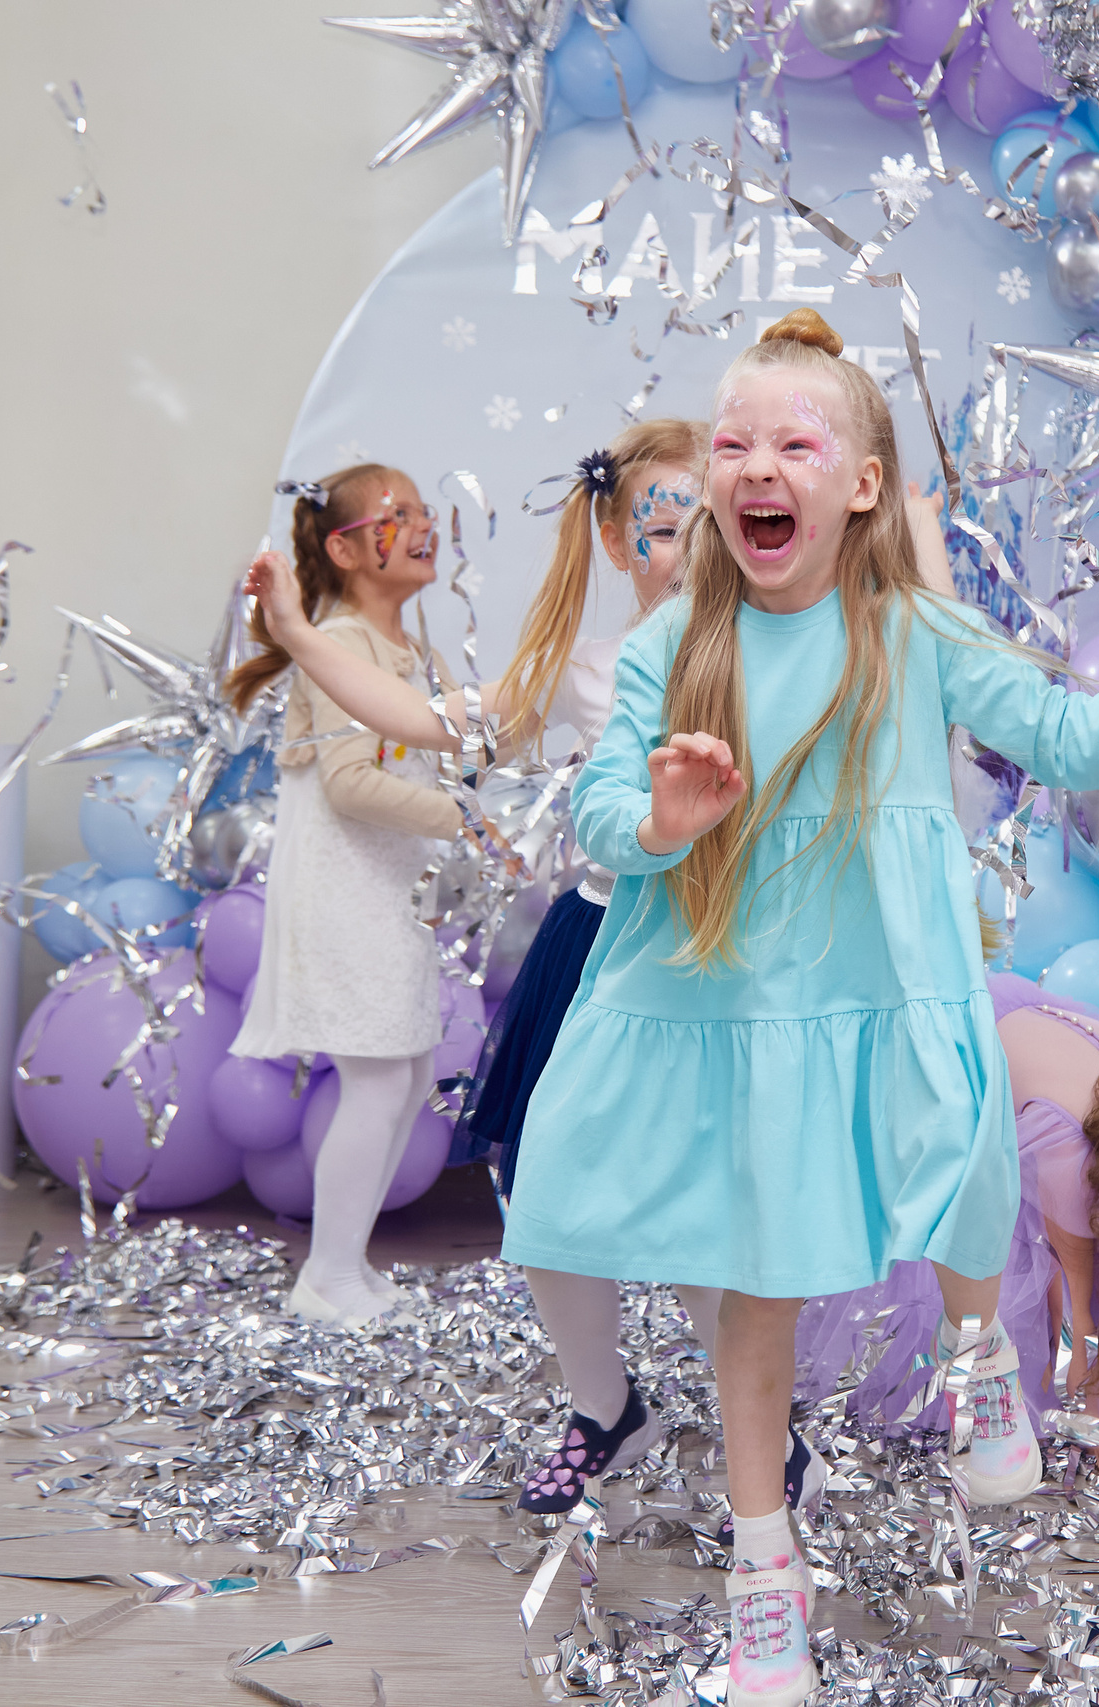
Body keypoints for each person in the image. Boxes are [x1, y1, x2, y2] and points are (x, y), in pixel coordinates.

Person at [499, 307, 1099, 1707]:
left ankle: (977, 1357)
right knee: (753, 1295)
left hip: (893, 987)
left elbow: (1069, 734)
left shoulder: (916, 632)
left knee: (959, 1149)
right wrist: (662, 810)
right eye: (735, 442)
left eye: (795, 442)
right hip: (746, 1011)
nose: (757, 463)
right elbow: (597, 816)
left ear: (860, 485)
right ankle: (770, 1578)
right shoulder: (666, 654)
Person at [246, 426, 961, 1522]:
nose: (685, 546)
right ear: (625, 548)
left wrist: (913, 536)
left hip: (731, 967)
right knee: (546, 1204)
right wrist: (296, 632)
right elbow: (426, 722)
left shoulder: (793, 645)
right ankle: (603, 1407)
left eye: (704, 522)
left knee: (713, 1224)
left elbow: (926, 677)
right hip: (595, 950)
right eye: (661, 529)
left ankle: (761, 1439)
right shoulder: (591, 669)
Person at [795, 973, 1099, 1473]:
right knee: (1018, 1288)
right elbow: (1073, 1317)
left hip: (1049, 1044)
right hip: (963, 1061)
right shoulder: (1070, 1161)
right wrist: (1098, 1429)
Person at [227, 464, 459, 1331]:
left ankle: (347, 1262)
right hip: (344, 885)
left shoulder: (402, 649)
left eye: (426, 511)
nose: (426, 526)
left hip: (390, 886)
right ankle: (326, 1273)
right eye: (401, 515)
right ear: (348, 546)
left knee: (407, 1073)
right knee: (375, 1076)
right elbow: (351, 783)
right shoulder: (341, 644)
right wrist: (465, 819)